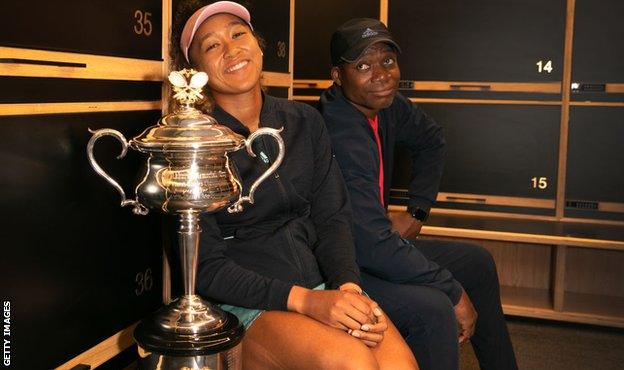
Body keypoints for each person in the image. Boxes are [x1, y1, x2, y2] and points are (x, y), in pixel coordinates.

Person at [172, 2, 418, 369]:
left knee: (401, 366)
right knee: (353, 363)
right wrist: (305, 301)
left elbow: (333, 219)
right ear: (194, 70)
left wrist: (347, 287)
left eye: (239, 34)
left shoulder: (304, 121)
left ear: (258, 44)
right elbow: (205, 268)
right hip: (246, 303)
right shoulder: (190, 141)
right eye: (211, 45)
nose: (231, 49)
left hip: (322, 288)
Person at [319, 18, 518, 370]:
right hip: (342, 266)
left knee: (478, 262)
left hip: (372, 245)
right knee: (434, 307)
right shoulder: (339, 132)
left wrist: (418, 211)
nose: (381, 75)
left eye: (387, 61)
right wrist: (454, 292)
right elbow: (370, 246)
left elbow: (431, 140)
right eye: (362, 66)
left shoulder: (385, 105)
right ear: (338, 75)